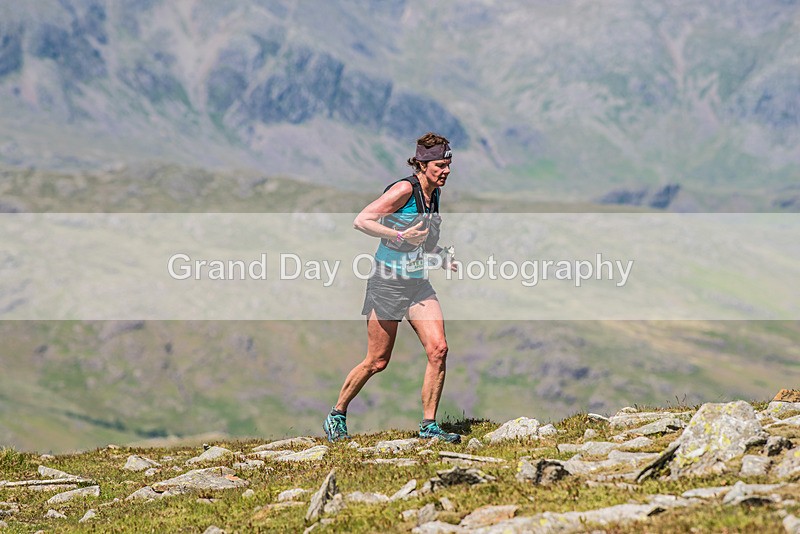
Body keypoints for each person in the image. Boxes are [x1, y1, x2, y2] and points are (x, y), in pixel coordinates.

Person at [323, 132, 461, 443]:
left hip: (416, 284)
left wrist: (440, 256)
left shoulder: (434, 193)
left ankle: (429, 427)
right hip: (386, 284)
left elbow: (422, 241)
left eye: (449, 164)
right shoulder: (404, 190)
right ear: (423, 165)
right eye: (441, 165)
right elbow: (363, 220)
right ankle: (337, 414)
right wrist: (399, 237)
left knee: (439, 349)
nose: (447, 170)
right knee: (377, 361)